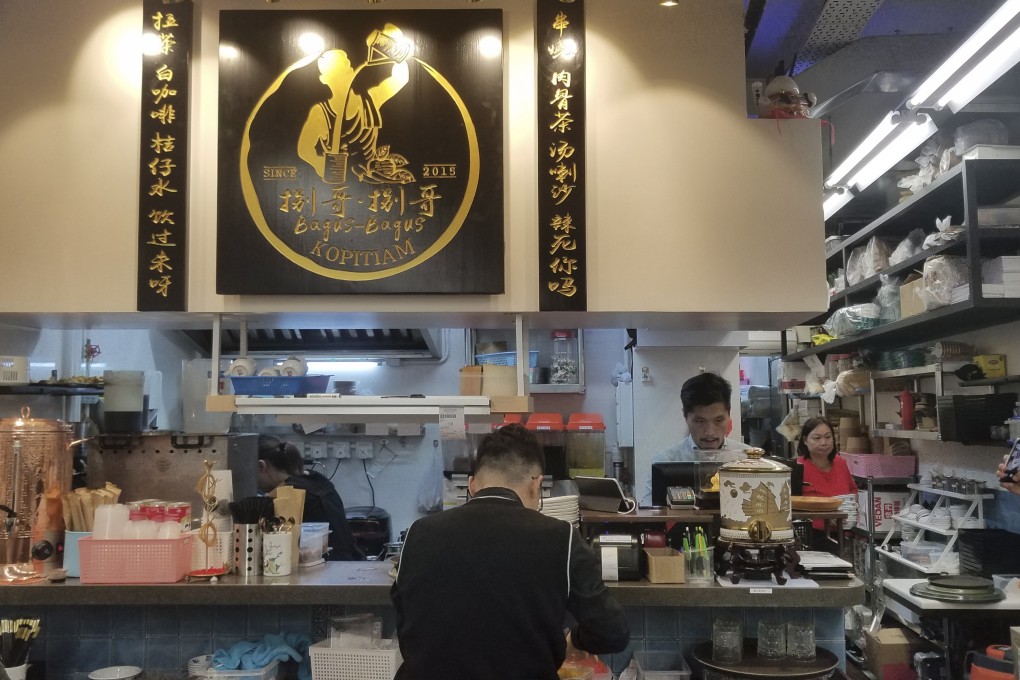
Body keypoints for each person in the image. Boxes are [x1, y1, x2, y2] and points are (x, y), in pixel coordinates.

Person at [390, 424, 629, 680]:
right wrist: (576, 640)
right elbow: (612, 632)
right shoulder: (562, 538)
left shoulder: (419, 533)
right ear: (536, 485)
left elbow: (404, 622)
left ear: (471, 485)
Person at [641, 371, 751, 505]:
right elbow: (649, 513)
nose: (710, 432)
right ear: (685, 416)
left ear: (729, 414)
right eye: (700, 421)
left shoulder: (748, 460)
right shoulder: (665, 461)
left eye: (718, 420)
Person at [256, 435, 365, 561]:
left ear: (261, 466)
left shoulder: (288, 494)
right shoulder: (316, 479)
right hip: (347, 562)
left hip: (326, 568)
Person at [796, 417, 857, 546]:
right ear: (805, 440)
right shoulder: (798, 467)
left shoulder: (841, 463)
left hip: (842, 531)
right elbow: (792, 502)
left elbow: (853, 490)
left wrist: (850, 512)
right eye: (817, 438)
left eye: (828, 437)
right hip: (810, 535)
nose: (824, 442)